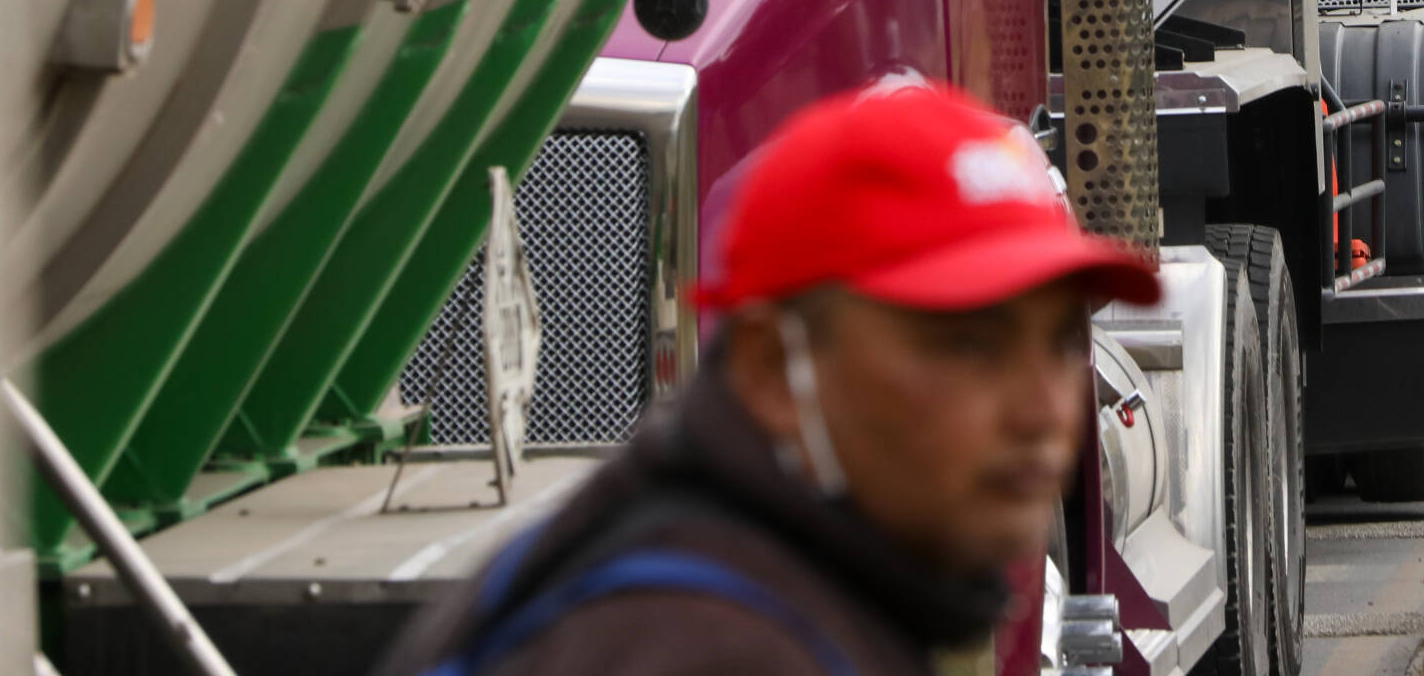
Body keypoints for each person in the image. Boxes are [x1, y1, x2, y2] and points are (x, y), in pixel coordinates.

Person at [384, 81, 1158, 676]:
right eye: (968, 346)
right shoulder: (711, 649)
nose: (1043, 410)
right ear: (770, 370)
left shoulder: (751, 570)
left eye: (1060, 341)